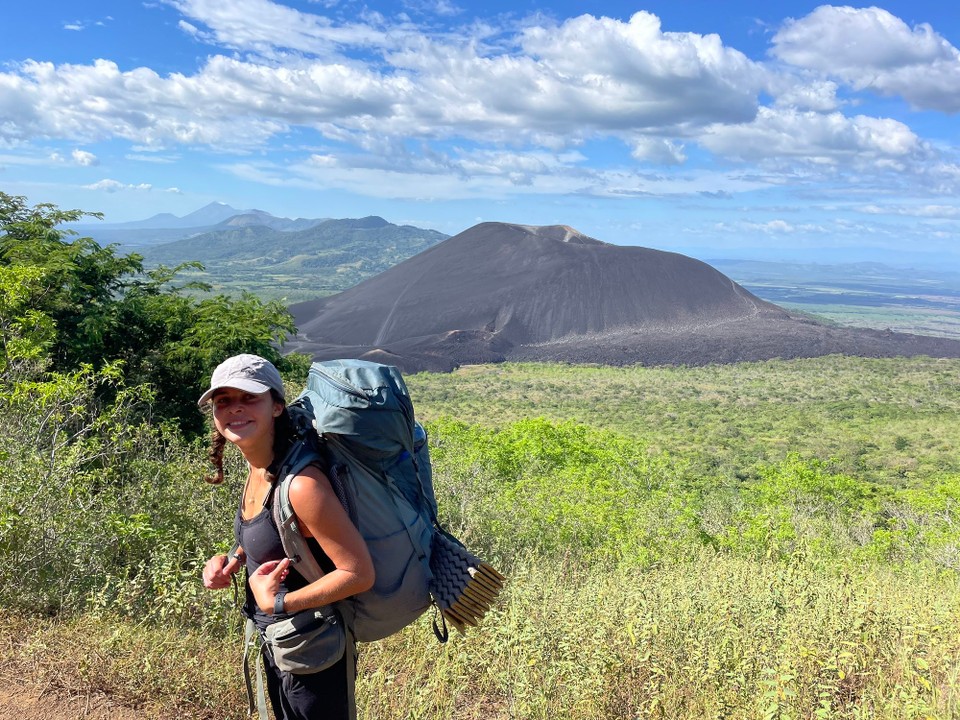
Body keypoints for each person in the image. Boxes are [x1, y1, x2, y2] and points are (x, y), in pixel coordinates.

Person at [199, 353, 374, 720]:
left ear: (277, 406)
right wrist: (232, 559)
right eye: (224, 401)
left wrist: (279, 604)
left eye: (249, 398)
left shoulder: (303, 485)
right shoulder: (259, 468)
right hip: (280, 642)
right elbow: (275, 535)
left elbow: (358, 573)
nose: (235, 409)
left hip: (315, 652)